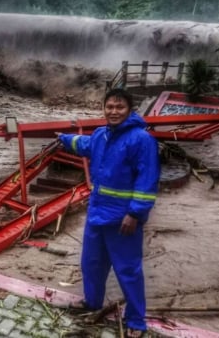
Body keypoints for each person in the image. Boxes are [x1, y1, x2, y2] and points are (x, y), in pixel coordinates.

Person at [57, 89, 160, 337]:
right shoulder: (101, 135)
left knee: (128, 270)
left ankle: (135, 321)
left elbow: (147, 181)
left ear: (130, 110)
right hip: (97, 212)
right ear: (103, 108)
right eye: (109, 107)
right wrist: (63, 138)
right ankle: (92, 302)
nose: (113, 111)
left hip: (123, 218)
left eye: (120, 107)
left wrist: (135, 214)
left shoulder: (141, 140)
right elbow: (84, 145)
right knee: (91, 263)